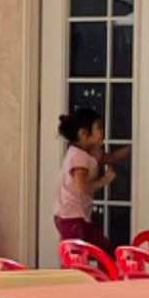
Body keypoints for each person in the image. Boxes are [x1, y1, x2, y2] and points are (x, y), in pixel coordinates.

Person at [52, 106, 115, 254]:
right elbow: (81, 187)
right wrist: (105, 180)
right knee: (76, 257)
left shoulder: (86, 154)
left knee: (104, 249)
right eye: (99, 128)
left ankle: (102, 273)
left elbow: (110, 157)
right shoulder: (79, 157)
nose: (102, 132)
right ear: (83, 134)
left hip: (77, 216)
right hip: (72, 217)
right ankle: (75, 276)